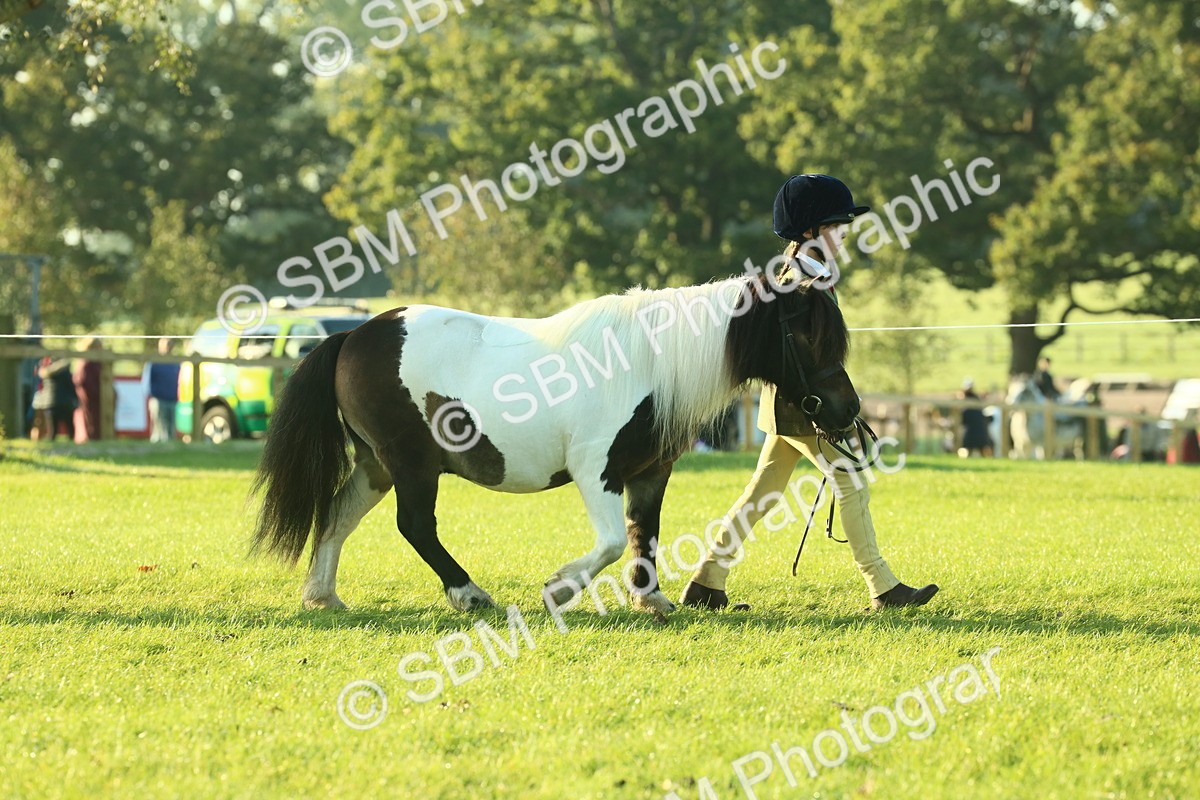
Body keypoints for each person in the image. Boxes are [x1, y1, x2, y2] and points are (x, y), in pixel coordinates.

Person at [680, 174, 939, 612]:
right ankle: (883, 587)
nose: (843, 235)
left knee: (763, 491)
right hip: (803, 406)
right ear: (809, 232)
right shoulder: (796, 277)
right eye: (836, 227)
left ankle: (707, 581)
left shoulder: (813, 271)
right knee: (852, 482)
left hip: (788, 405)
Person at [142, 337, 181, 442]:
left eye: (170, 345)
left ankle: (171, 447)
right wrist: (150, 396)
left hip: (172, 399)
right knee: (159, 427)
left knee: (171, 427)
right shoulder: (154, 362)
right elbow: (146, 381)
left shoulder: (176, 362)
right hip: (158, 399)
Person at [73, 336, 104, 443]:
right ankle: (92, 440)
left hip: (94, 398)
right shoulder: (88, 363)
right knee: (92, 421)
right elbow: (85, 382)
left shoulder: (91, 362)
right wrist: (99, 394)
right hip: (91, 399)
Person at [958, 379, 993, 457]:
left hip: (970, 434)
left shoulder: (966, 403)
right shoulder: (977, 400)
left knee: (968, 451)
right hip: (980, 433)